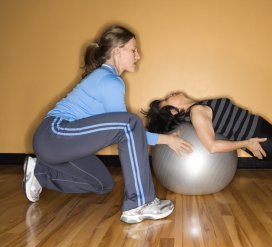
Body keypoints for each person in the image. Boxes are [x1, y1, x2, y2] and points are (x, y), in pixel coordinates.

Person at [23, 25, 192, 224]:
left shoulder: (108, 79)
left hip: (60, 145)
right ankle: (140, 203)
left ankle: (40, 171)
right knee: (130, 122)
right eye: (133, 50)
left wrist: (165, 140)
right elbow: (129, 129)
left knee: (102, 183)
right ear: (117, 51)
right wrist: (167, 140)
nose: (138, 55)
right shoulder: (109, 80)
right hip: (54, 134)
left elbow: (129, 133)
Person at [143, 91, 272, 202]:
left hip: (270, 132)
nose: (170, 93)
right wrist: (247, 144)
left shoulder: (198, 107)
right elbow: (211, 146)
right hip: (267, 144)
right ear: (172, 111)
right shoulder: (196, 112)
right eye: (166, 99)